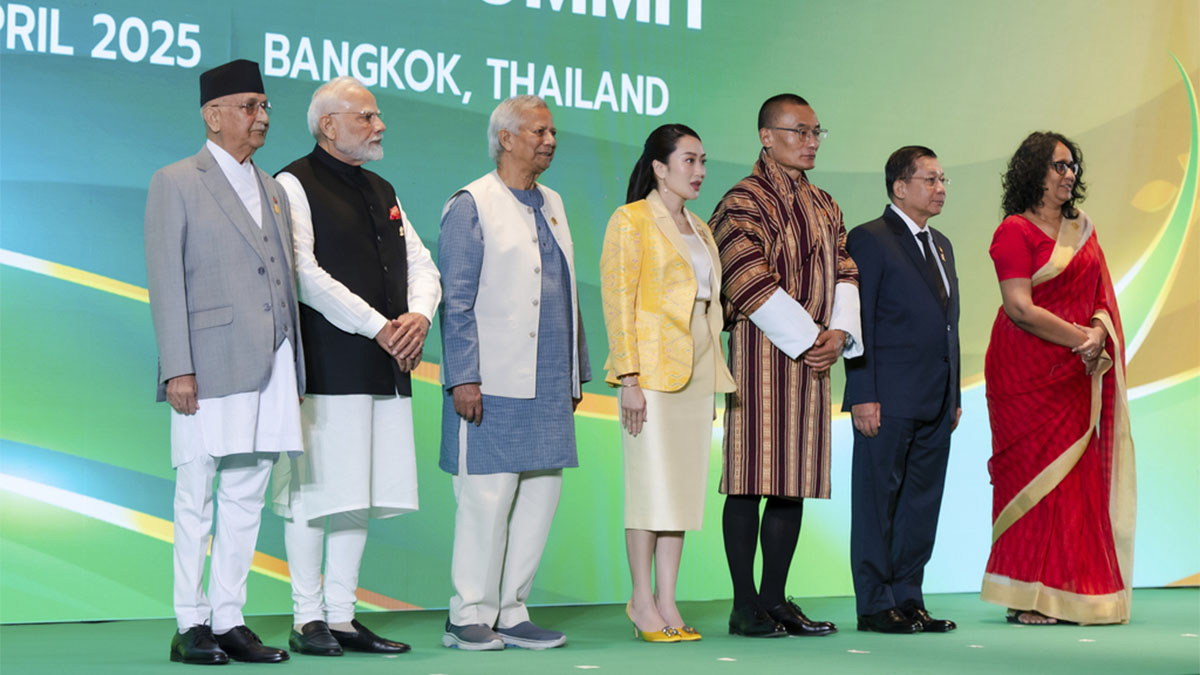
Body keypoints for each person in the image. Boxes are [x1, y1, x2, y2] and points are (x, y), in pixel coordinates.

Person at [272, 76, 441, 656]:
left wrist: (418, 317)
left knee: (358, 492)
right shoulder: (293, 183)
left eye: (377, 116)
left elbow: (421, 262)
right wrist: (381, 327)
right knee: (315, 494)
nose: (380, 125)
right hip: (328, 364)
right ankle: (305, 617)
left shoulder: (381, 186)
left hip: (384, 366)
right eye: (367, 117)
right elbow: (302, 272)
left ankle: (342, 616)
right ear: (329, 126)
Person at [145, 59, 301, 665]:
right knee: (195, 492)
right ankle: (191, 623)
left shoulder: (274, 188)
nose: (261, 117)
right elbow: (166, 281)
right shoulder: (176, 180)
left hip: (273, 363)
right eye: (249, 106)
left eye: (264, 107)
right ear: (213, 115)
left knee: (247, 493)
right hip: (206, 365)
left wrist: (297, 370)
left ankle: (230, 618)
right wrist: (176, 367)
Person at [438, 95, 590, 651]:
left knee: (540, 496)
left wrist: (577, 371)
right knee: (486, 499)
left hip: (550, 380)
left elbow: (568, 293)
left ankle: (511, 608)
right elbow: (454, 301)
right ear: (506, 138)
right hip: (492, 380)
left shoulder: (552, 201)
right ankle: (467, 612)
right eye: (538, 131)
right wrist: (464, 376)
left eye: (553, 132)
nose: (550, 140)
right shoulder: (470, 204)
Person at [710, 93, 861, 637]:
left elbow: (846, 269)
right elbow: (746, 278)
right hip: (760, 356)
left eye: (817, 131)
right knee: (751, 478)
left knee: (792, 480)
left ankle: (775, 598)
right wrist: (811, 337)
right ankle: (743, 603)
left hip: (815, 361)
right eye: (800, 131)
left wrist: (839, 335)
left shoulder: (825, 203)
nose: (811, 141)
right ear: (766, 136)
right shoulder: (741, 201)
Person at [981, 131, 1134, 625]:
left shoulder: (1084, 230)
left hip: (1075, 370)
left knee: (1076, 482)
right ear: (1033, 172)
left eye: (1072, 167)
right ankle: (1026, 595)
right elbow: (1020, 308)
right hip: (1024, 371)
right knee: (1032, 478)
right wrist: (1080, 337)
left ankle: (1069, 592)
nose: (1069, 175)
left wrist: (1096, 332)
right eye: (1058, 166)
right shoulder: (1014, 231)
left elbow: (1101, 298)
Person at [599, 124, 737, 643]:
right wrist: (628, 376)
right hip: (651, 374)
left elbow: (711, 308)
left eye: (702, 161)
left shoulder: (701, 229)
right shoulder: (631, 221)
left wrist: (714, 375)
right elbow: (618, 300)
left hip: (698, 372)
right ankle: (640, 598)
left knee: (680, 491)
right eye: (688, 161)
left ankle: (667, 598)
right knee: (648, 488)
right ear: (659, 167)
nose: (699, 171)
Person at [843, 146, 961, 634]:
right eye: (930, 179)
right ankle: (875, 603)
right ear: (899, 187)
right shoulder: (870, 239)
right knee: (877, 503)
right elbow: (859, 318)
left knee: (920, 503)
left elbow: (949, 324)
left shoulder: (942, 244)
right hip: (886, 398)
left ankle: (909, 597)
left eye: (942, 179)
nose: (940, 188)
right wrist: (861, 392)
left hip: (936, 398)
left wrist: (953, 394)